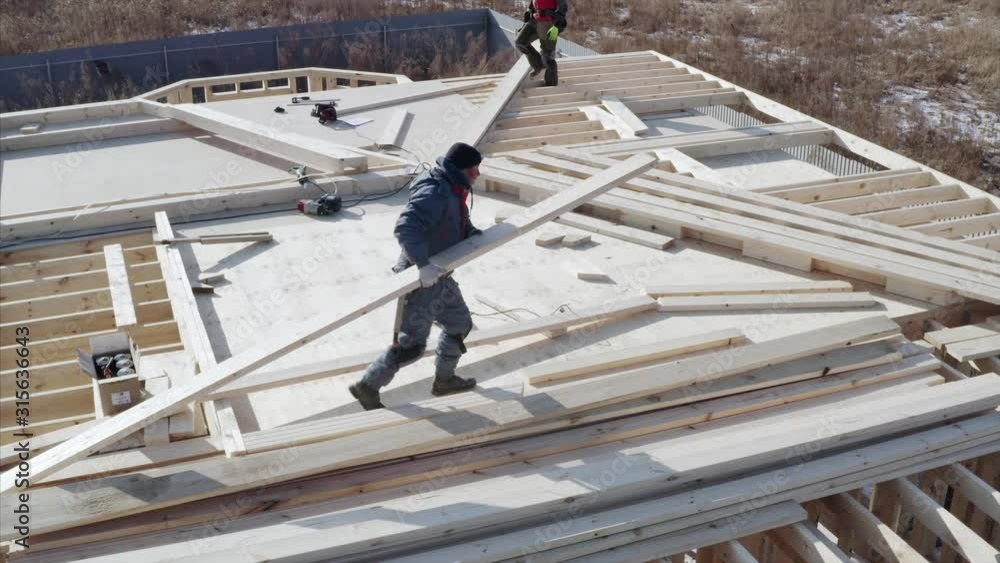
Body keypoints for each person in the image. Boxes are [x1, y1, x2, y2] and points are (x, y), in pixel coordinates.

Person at [349, 142, 484, 411]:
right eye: (474, 170)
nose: (477, 175)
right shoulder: (435, 192)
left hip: (440, 274)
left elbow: (455, 216)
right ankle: (368, 386)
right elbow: (406, 227)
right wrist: (422, 266)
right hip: (421, 280)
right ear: (460, 169)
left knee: (459, 324)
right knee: (411, 346)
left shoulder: (453, 186)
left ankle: (444, 380)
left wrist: (469, 231)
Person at [515, 0, 569, 87]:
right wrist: (530, 9)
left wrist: (557, 25)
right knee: (520, 42)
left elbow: (563, 8)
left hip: (548, 23)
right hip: (535, 20)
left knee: (548, 56)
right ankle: (538, 65)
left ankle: (551, 85)